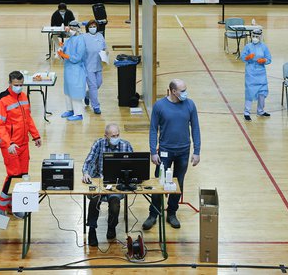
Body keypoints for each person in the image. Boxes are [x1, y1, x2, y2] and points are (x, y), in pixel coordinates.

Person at [143, 79, 200, 231]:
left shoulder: (190, 105)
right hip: (164, 152)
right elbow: (153, 130)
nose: (185, 93)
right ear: (173, 91)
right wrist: (153, 152)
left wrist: (197, 151)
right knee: (159, 182)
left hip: (183, 151)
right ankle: (153, 214)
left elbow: (195, 128)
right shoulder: (160, 106)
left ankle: (172, 213)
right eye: (182, 90)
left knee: (178, 183)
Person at [0, 71, 42, 218]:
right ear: (10, 83)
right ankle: (0, 208)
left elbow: (28, 119)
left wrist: (36, 135)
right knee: (13, 176)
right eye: (16, 85)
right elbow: (0, 126)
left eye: (21, 85)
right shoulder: (2, 101)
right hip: (11, 146)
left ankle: (14, 205)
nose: (19, 87)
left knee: (23, 176)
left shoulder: (24, 97)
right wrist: (9, 143)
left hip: (23, 144)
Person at [82, 123, 133, 247]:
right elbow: (88, 161)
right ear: (106, 136)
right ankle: (92, 230)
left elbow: (133, 165)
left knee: (115, 202)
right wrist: (86, 173)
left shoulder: (126, 145)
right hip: (100, 181)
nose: (116, 137)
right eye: (113, 136)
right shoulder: (98, 144)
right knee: (94, 199)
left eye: (117, 135)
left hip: (117, 184)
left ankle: (111, 226)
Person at [58, 21, 87, 121]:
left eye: (72, 28)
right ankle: (70, 109)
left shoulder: (81, 40)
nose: (69, 30)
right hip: (68, 69)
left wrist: (65, 55)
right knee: (68, 91)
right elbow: (64, 51)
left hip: (76, 69)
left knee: (75, 91)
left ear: (77, 28)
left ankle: (78, 114)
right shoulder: (70, 39)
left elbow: (77, 57)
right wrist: (61, 48)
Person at [241, 29, 272, 121]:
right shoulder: (248, 46)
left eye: (257, 37)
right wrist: (247, 57)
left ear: (260, 37)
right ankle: (247, 112)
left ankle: (261, 111)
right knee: (250, 92)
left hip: (261, 72)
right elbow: (243, 57)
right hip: (251, 71)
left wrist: (264, 60)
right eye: (254, 36)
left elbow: (269, 58)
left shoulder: (264, 47)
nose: (255, 38)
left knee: (262, 92)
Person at [83, 19, 107, 114]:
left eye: (94, 26)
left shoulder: (100, 36)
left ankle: (87, 95)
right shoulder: (84, 37)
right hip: (88, 66)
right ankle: (96, 106)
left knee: (98, 84)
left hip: (98, 65)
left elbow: (104, 47)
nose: (93, 28)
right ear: (87, 28)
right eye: (90, 27)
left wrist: (106, 53)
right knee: (93, 86)